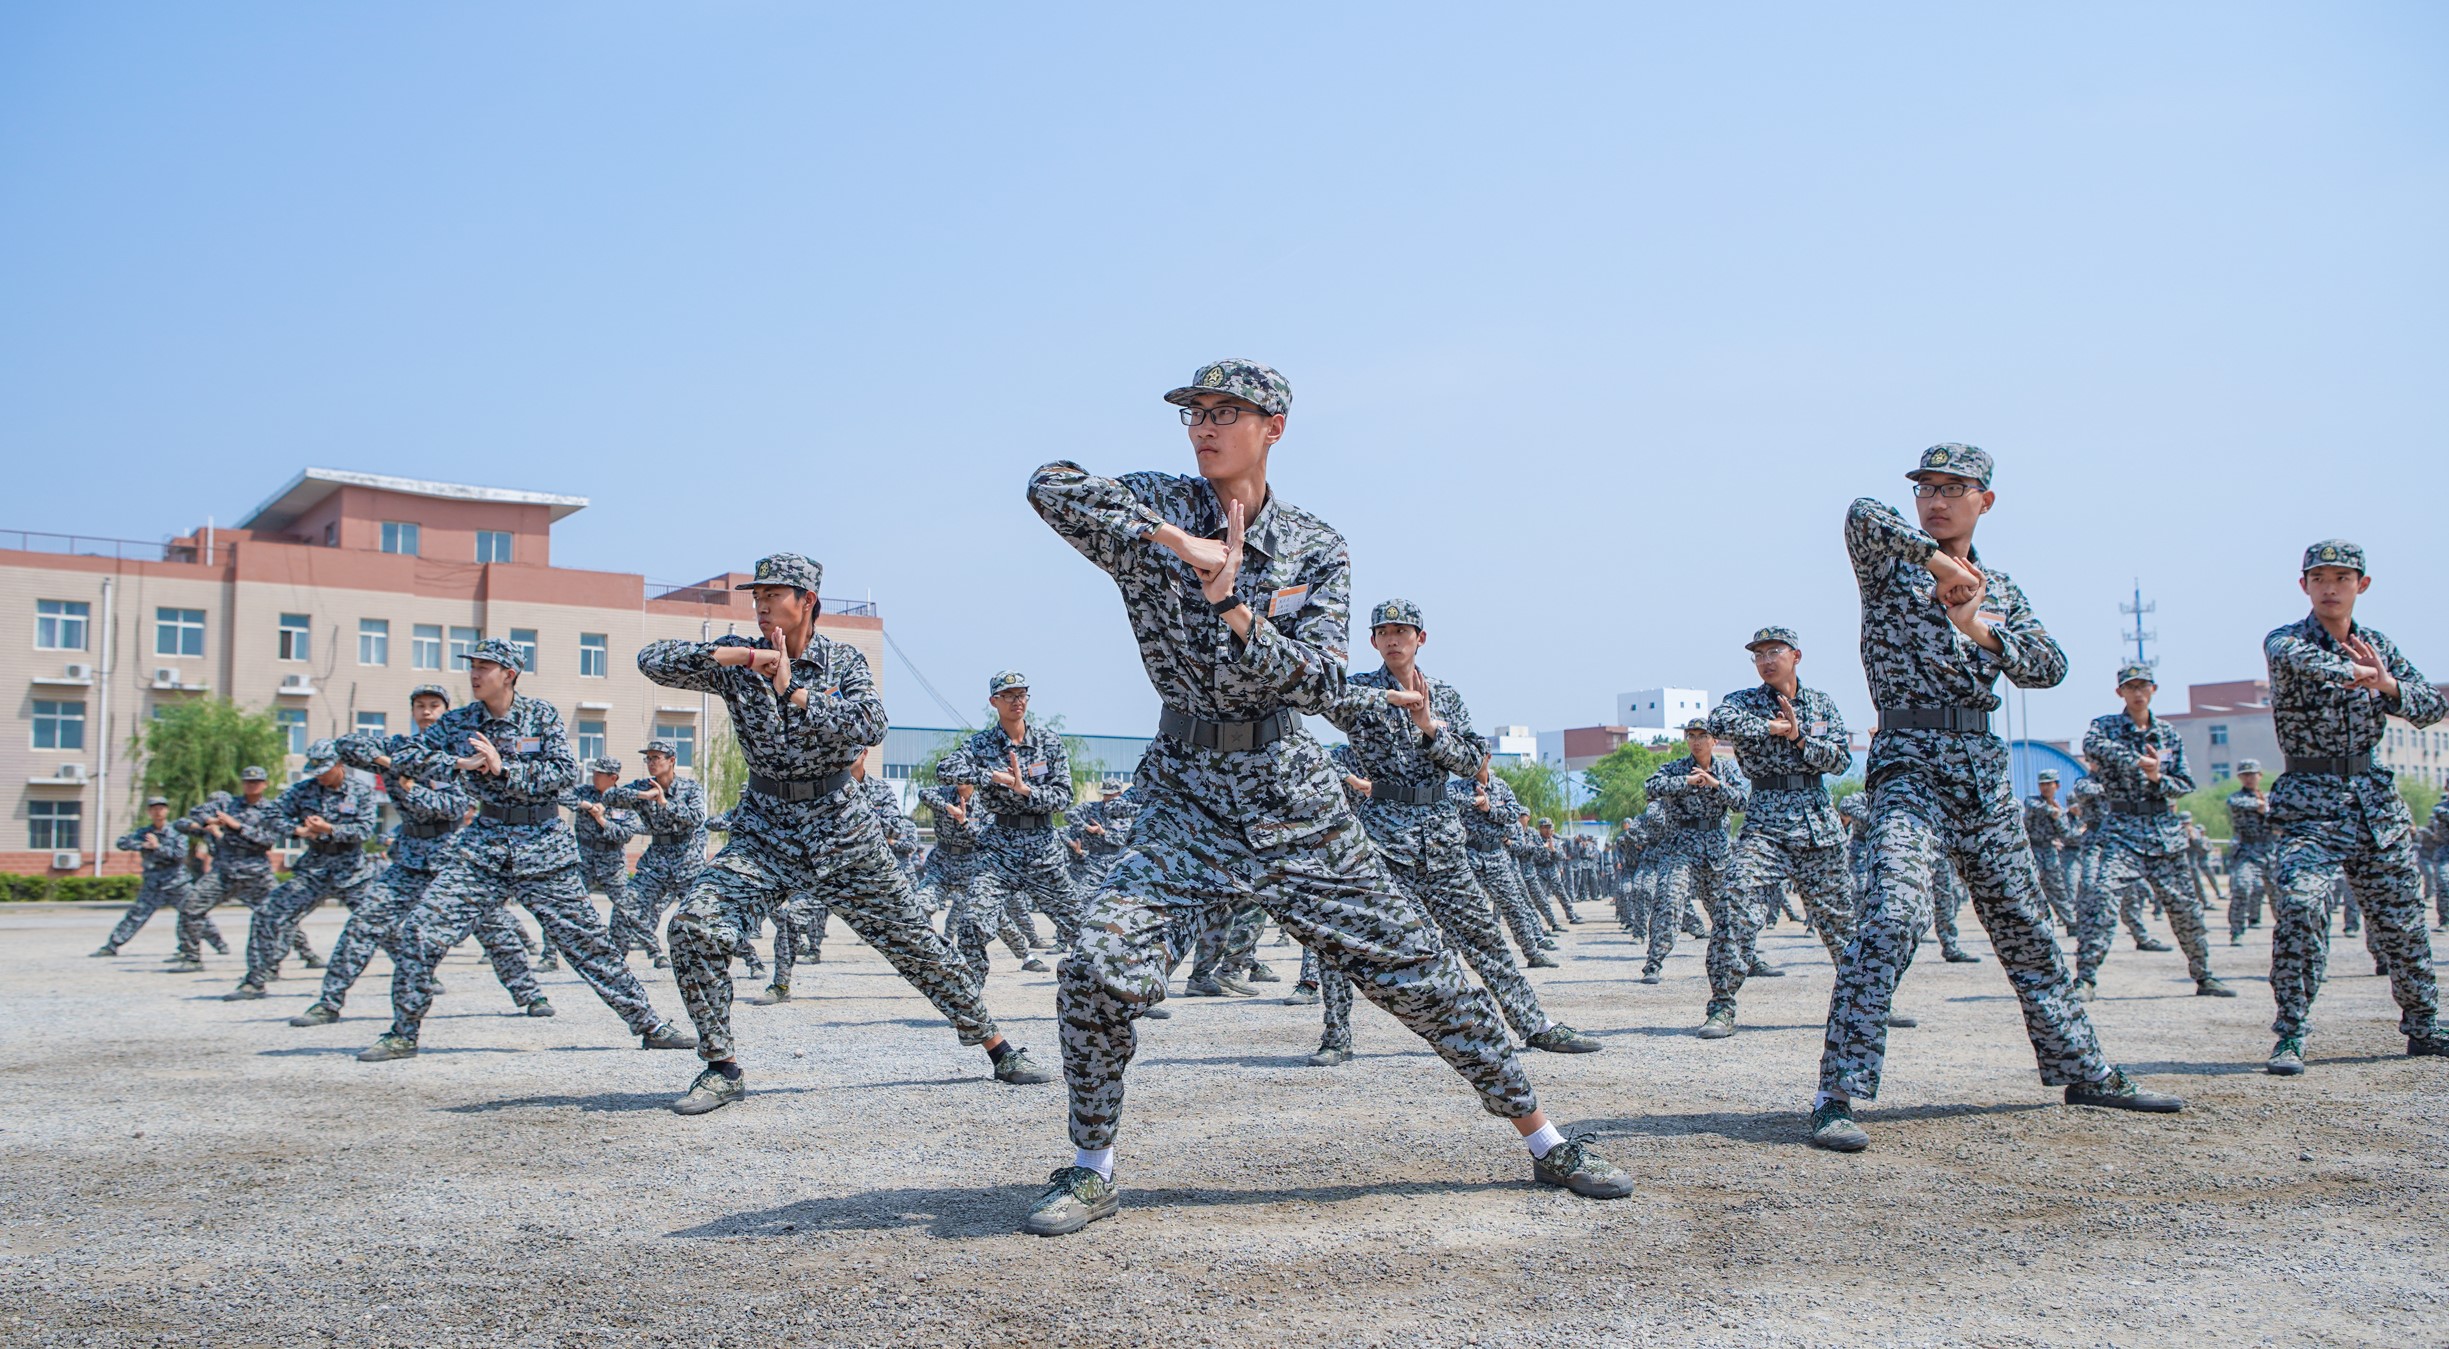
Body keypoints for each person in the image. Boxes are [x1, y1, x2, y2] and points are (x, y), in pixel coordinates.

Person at [1018, 359, 1632, 1237]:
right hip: (1183, 792)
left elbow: (1311, 677)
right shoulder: (1157, 503)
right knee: (1094, 966)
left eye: (1226, 412)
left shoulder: (1314, 545)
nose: (1204, 426)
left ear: (1273, 427)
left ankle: (1546, 1139)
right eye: (1195, 412)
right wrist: (1174, 541)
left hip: (1288, 794)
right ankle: (1089, 1167)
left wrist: (1233, 605)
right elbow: (1050, 485)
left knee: (1422, 972)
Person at [1810, 443, 2179, 1153]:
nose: (1936, 499)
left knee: (2027, 928)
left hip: (1979, 767)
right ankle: (1838, 1092)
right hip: (1908, 764)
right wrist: (1939, 564)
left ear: (1985, 500)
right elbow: (1860, 514)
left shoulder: (2002, 589)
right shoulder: (1887, 568)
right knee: (1891, 913)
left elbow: (2049, 666)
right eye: (1926, 488)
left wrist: (1975, 625)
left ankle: (2084, 1069)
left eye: (1954, 488)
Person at [638, 556, 1052, 1115]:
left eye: (774, 594)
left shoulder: (842, 662)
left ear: (807, 600)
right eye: (755, 595)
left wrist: (792, 690)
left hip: (842, 832)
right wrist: (739, 656)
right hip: (765, 831)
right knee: (693, 926)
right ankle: (720, 1066)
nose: (760, 603)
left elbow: (869, 725)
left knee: (917, 946)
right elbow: (652, 661)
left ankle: (998, 1046)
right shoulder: (739, 659)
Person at [349, 640, 697, 1064]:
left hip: (543, 847)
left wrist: (503, 767)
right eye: (473, 667)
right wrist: (457, 765)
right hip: (484, 848)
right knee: (422, 931)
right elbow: (404, 756)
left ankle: (649, 1025)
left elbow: (564, 772)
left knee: (588, 945)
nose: (475, 675)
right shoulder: (458, 723)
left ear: (509, 674)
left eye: (485, 667)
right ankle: (403, 1032)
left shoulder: (541, 715)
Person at [1307, 599, 1599, 1066]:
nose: (1393, 639)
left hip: (1440, 830)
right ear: (1373, 641)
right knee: (1346, 931)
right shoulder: (1360, 692)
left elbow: (1470, 762)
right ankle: (1335, 1035)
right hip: (1383, 829)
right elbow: (1318, 697)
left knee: (1482, 934)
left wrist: (1428, 728)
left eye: (1403, 631)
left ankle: (1534, 1024)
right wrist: (1387, 699)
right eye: (1383, 632)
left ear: (1421, 638)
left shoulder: (1446, 695)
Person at [2260, 540, 2447, 1075]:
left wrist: (2386, 682)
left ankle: (2424, 1025)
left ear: (2361, 585)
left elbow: (2433, 705)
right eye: (2319, 578)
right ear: (2304, 586)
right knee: (2300, 904)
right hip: (2311, 804)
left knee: (2403, 920)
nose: (2330, 587)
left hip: (2373, 801)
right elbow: (2309, 663)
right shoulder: (2285, 640)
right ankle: (2291, 1032)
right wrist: (2360, 675)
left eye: (2342, 578)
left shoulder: (2378, 645)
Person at [294, 686, 552, 1025]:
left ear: (446, 712)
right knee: (365, 922)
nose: (427, 712)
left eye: (434, 706)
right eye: (420, 706)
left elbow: (449, 807)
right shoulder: (403, 748)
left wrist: (410, 786)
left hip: (454, 858)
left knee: (494, 928)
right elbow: (347, 745)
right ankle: (329, 1002)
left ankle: (530, 994)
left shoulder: (463, 751)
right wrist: (393, 764)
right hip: (409, 859)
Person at [2072, 664, 2232, 1000]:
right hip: (2121, 831)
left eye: (2143, 686)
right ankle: (2085, 978)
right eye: (2130, 687)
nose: (2138, 693)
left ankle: (2204, 975)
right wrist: (2136, 761)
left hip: (2164, 833)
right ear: (2120, 693)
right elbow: (2092, 746)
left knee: (2186, 906)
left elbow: (2184, 784)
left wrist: (2158, 777)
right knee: (2101, 897)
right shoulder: (2107, 726)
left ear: (2153, 690)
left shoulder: (2169, 735)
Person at [1710, 626, 1858, 983]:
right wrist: (1770, 727)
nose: (1765, 661)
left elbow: (1840, 761)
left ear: (1796, 655)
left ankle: (1868, 1001)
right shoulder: (1744, 702)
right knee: (1735, 899)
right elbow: (1718, 721)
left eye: (1773, 652)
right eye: (1758, 655)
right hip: (1765, 823)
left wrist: (1798, 737)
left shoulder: (1821, 704)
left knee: (1841, 919)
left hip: (1817, 823)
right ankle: (1722, 1003)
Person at [220, 741, 382, 1002]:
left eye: (326, 770)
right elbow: (270, 814)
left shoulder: (361, 791)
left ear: (340, 765)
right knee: (268, 913)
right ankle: (255, 981)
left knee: (382, 923)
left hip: (353, 872)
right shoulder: (303, 791)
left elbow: (364, 831)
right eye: (316, 770)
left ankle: (421, 976)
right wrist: (298, 831)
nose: (320, 775)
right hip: (315, 869)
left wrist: (329, 828)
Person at [937, 672, 1086, 954]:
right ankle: (969, 995)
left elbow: (1064, 796)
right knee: (972, 923)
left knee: (1081, 929)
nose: (1016, 701)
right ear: (994, 701)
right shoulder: (980, 745)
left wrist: (1025, 790)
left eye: (1021, 695)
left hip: (1043, 848)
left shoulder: (1048, 742)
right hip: (1000, 849)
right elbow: (944, 770)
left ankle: (1101, 989)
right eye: (1008, 695)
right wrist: (990, 776)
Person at [1644, 720, 1752, 1035]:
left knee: (1728, 913)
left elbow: (1743, 801)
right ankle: (1655, 961)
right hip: (1681, 845)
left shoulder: (1728, 770)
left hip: (1716, 849)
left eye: (1702, 736)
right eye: (1690, 737)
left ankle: (1746, 960)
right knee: (1670, 897)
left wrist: (1714, 784)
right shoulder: (1676, 768)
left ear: (1714, 740)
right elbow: (1651, 788)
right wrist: (1687, 782)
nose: (1695, 742)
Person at [167, 767, 313, 975]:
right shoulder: (228, 804)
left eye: (256, 782)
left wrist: (236, 826)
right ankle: (192, 957)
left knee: (277, 915)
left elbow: (266, 840)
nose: (251, 785)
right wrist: (209, 821)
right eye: (247, 782)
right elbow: (197, 812)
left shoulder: (271, 810)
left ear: (264, 785)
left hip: (256, 873)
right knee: (190, 907)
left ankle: (296, 957)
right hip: (224, 870)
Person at [563, 756, 644, 958]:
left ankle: (619, 953)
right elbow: (561, 796)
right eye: (594, 772)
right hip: (584, 857)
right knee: (568, 902)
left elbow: (625, 835)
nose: (594, 776)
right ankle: (552, 955)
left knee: (625, 907)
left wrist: (601, 820)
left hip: (612, 860)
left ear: (613, 777)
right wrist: (587, 806)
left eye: (599, 773)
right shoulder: (584, 792)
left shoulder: (622, 799)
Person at [96, 797, 196, 957]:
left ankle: (218, 944)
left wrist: (158, 848)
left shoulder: (177, 833)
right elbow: (121, 843)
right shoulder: (143, 833)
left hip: (177, 882)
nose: (158, 812)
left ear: (167, 811)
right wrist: (142, 845)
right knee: (137, 914)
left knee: (194, 912)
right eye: (154, 809)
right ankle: (112, 945)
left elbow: (179, 855)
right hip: (153, 882)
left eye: (161, 808)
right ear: (149, 812)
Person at [2225, 760, 2275, 943]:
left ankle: (2288, 934)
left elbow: (2281, 816)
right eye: (2244, 775)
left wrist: (2265, 808)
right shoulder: (2237, 797)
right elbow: (2237, 804)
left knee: (2279, 894)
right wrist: (2260, 806)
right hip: (2248, 849)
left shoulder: (2271, 797)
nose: (2248, 778)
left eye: (2252, 774)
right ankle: (2237, 930)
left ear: (2260, 776)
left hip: (2271, 849)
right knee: (2242, 886)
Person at [2022, 770, 2077, 931]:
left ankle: (2071, 923)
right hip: (2032, 850)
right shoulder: (2033, 801)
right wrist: (2052, 811)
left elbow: (2066, 834)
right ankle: (2033, 926)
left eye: (2049, 784)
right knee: (2030, 889)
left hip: (2049, 851)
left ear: (2057, 786)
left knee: (2057, 889)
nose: (2045, 787)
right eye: (2042, 784)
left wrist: (2057, 816)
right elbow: (2033, 807)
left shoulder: (2059, 811)